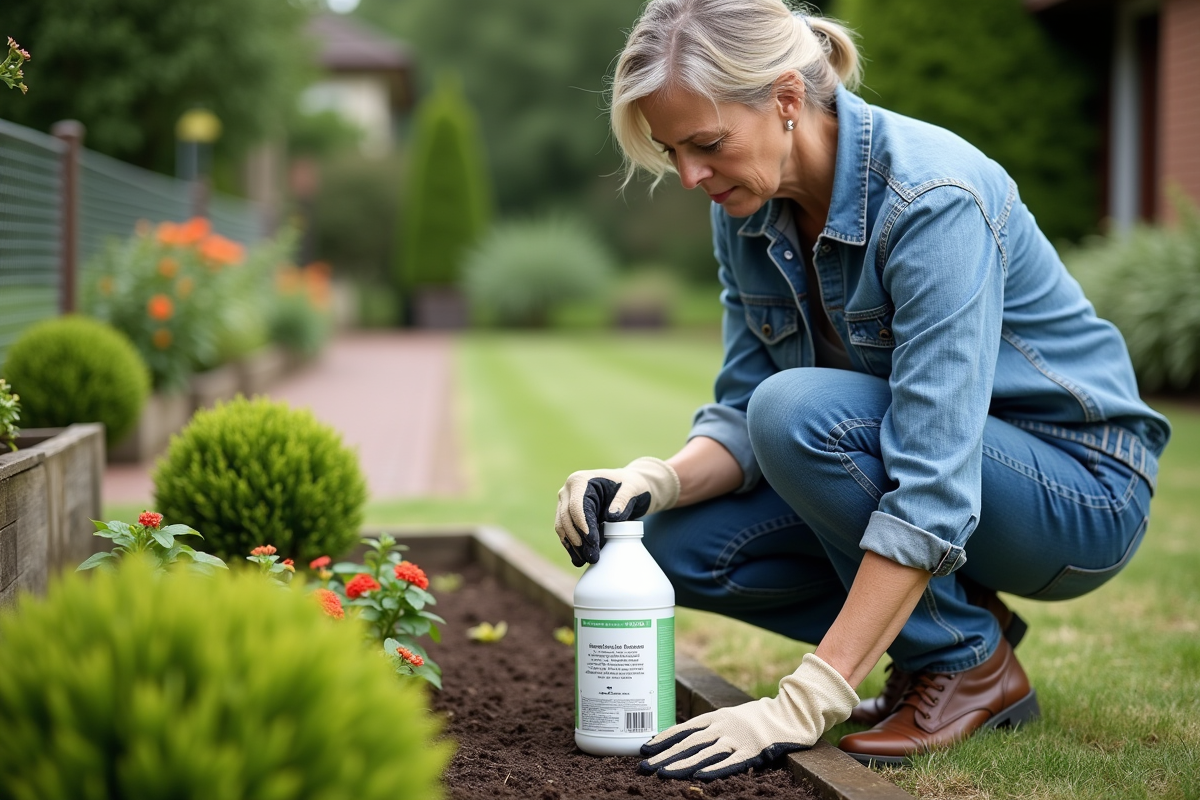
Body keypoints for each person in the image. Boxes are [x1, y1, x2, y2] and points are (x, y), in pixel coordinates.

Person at [553, 0, 1171, 781]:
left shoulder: (932, 198)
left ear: (786, 98)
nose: (689, 176)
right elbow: (744, 406)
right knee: (669, 546)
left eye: (706, 144)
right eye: (672, 150)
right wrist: (654, 480)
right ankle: (958, 635)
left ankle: (962, 660)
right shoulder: (746, 204)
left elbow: (931, 481)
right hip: (941, 471)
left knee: (800, 413)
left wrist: (805, 701)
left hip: (1080, 488)